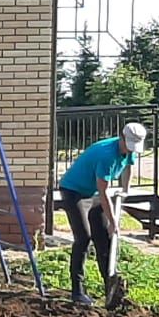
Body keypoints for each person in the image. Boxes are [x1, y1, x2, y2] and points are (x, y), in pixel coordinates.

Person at [57, 122, 146, 306]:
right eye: (128, 145)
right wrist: (114, 221)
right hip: (74, 191)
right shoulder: (106, 155)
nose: (130, 150)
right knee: (84, 237)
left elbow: (128, 166)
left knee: (104, 237)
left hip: (92, 192)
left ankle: (110, 289)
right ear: (121, 137)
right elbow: (104, 192)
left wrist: (125, 189)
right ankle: (77, 291)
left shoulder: (129, 151)